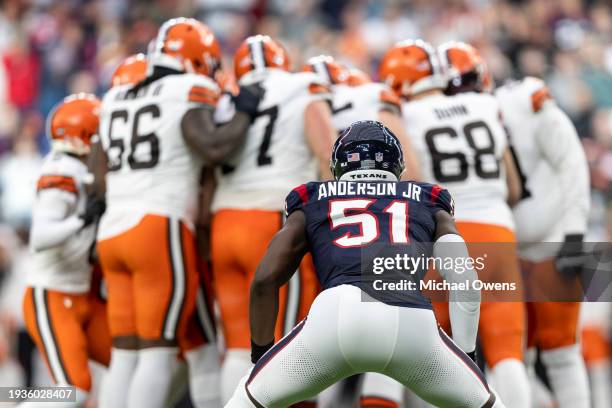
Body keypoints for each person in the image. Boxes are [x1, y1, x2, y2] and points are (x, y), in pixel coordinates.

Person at [225, 120, 504, 408]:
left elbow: (264, 280)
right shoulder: (427, 199)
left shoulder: (313, 198)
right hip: (412, 324)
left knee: (245, 402)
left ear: (337, 168)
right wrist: (466, 357)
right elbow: (465, 282)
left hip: (336, 317)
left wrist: (261, 357)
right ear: (398, 167)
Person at [95, 18, 264, 408]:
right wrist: (244, 112)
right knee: (158, 350)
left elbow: (99, 176)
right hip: (158, 225)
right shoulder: (188, 88)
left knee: (126, 353)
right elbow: (214, 145)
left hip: (112, 229)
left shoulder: (117, 96)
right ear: (194, 61)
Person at [379, 39, 530, 408]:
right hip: (498, 230)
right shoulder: (485, 104)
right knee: (507, 351)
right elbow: (512, 187)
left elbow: (410, 180)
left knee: (440, 356)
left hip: (445, 235)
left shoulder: (405, 115)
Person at [210, 35, 336, 402]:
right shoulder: (301, 86)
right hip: (273, 222)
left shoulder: (225, 98)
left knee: (237, 343)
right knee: (288, 342)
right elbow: (328, 154)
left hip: (224, 221)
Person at [479, 46, 591, 407]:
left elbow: (572, 161)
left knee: (562, 351)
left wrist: (575, 232)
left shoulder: (527, 99)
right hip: (506, 247)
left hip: (554, 240)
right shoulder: (478, 112)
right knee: (510, 355)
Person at [22, 93, 110, 407]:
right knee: (73, 388)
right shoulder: (62, 170)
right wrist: (83, 219)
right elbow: (41, 236)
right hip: (53, 294)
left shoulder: (78, 169)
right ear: (87, 136)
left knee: (136, 357)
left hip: (82, 295)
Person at [303, 54, 421, 182]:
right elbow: (407, 166)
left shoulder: (305, 103)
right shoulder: (372, 93)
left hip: (336, 189)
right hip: (382, 184)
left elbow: (325, 157)